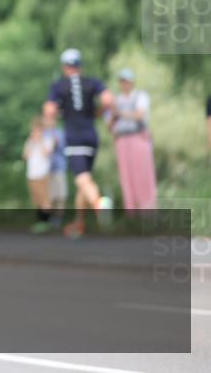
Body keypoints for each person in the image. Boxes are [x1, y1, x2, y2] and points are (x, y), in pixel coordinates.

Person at [42, 49, 114, 239]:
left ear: (64, 67)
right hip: (91, 135)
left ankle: (99, 204)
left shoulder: (59, 86)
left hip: (74, 136)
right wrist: (97, 112)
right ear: (79, 65)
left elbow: (49, 110)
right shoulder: (92, 82)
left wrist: (57, 116)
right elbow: (108, 99)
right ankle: (79, 223)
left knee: (81, 179)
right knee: (86, 179)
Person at [108, 68, 157, 213]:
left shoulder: (140, 96)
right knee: (126, 178)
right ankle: (131, 212)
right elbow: (110, 125)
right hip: (122, 140)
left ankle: (148, 210)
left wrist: (120, 112)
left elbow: (140, 115)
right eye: (122, 81)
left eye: (127, 81)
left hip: (138, 138)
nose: (125, 84)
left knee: (143, 175)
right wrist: (113, 115)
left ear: (132, 82)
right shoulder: (116, 100)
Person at [23, 117, 55, 234]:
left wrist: (40, 141)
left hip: (43, 174)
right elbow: (25, 156)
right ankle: (39, 221)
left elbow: (46, 153)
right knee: (36, 200)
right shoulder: (30, 141)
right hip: (32, 175)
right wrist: (32, 142)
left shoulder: (47, 140)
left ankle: (47, 221)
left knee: (45, 200)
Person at [43, 126, 68, 229]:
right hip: (46, 169)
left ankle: (59, 219)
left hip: (59, 168)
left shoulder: (60, 133)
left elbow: (64, 147)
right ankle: (49, 220)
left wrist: (56, 142)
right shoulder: (43, 133)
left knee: (61, 196)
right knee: (50, 196)